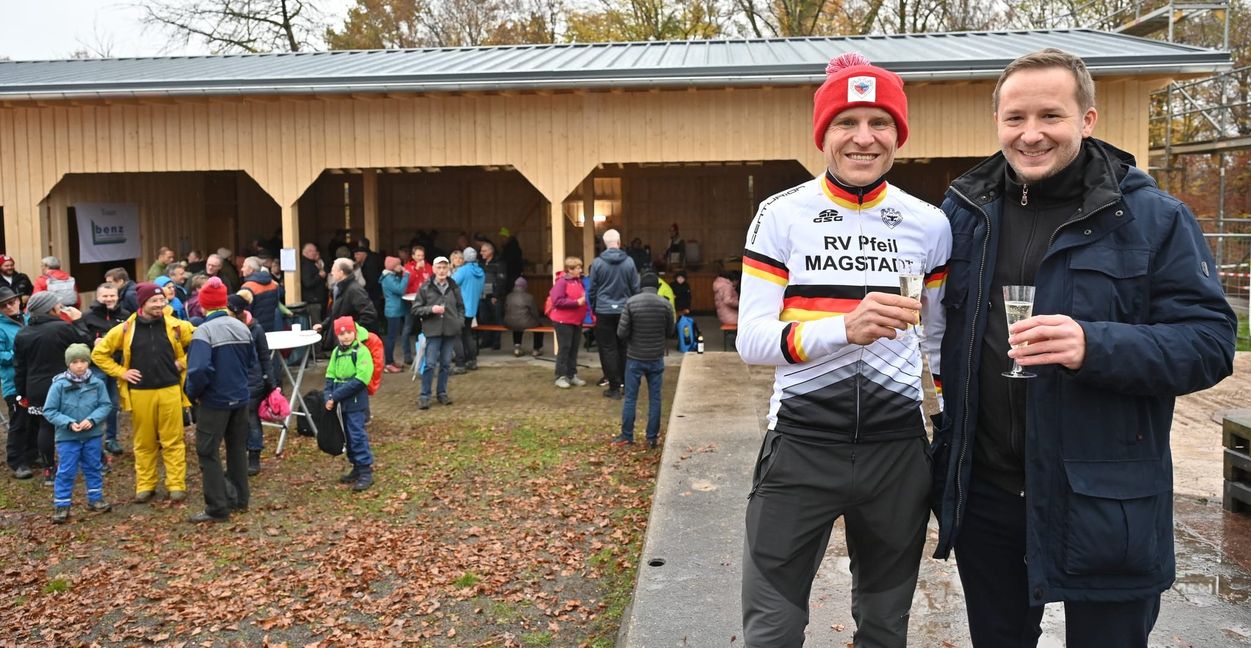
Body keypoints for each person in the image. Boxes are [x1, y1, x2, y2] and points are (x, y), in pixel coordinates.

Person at [931, 48, 1237, 648]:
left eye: (1051, 115)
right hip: (988, 497)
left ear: (1088, 120)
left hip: (1105, 499)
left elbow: (1210, 342)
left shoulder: (1150, 217)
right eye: (1015, 118)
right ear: (997, 122)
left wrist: (1093, 344)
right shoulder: (964, 214)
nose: (1031, 133)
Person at [737, 52, 951, 646]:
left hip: (895, 453)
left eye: (880, 122)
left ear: (898, 134)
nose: (864, 138)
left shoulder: (930, 223)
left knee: (885, 630)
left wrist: (942, 421)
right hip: (802, 446)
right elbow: (752, 343)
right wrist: (843, 328)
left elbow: (934, 345)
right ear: (823, 134)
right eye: (846, 123)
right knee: (773, 631)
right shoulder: (780, 215)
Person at [92, 282, 195, 503]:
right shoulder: (125, 329)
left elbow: (201, 344)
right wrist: (121, 372)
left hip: (170, 390)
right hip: (140, 393)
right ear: (143, 303)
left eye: (162, 300)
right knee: (144, 442)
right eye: (155, 301)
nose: (160, 304)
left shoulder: (177, 326)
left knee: (173, 440)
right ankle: (145, 485)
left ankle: (176, 485)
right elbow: (99, 354)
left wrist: (183, 361)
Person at [184, 277, 256, 523]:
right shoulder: (242, 326)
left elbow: (198, 370)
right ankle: (240, 499)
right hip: (240, 398)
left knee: (207, 451)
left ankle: (217, 507)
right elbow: (251, 362)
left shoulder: (203, 331)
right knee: (237, 448)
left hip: (214, 402)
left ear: (203, 305)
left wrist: (193, 393)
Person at [14, 292, 90, 486]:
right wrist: (79, 321)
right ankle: (87, 462)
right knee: (77, 422)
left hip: (36, 386)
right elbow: (85, 346)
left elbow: (20, 367)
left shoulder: (23, 333)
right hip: (64, 384)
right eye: (57, 305)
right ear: (50, 308)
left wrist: (21, 393)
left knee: (45, 426)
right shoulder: (63, 328)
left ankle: (49, 469)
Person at [42, 343, 114, 523]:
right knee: (66, 470)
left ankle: (95, 499)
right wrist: (68, 423)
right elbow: (49, 410)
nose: (79, 365)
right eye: (75, 362)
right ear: (68, 363)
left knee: (93, 467)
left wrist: (92, 420)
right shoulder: (59, 385)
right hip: (67, 437)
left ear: (89, 362)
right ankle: (62, 505)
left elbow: (105, 405)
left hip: (92, 435)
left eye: (83, 361)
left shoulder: (97, 383)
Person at [611, 272, 673, 450]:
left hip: (635, 357)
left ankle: (627, 435)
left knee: (630, 398)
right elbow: (670, 331)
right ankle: (652, 438)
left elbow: (621, 333)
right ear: (657, 287)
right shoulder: (665, 304)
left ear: (640, 286)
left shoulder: (631, 303)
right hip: (656, 357)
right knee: (655, 399)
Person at [78, 283, 130, 457]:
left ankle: (111, 439)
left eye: (112, 296)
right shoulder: (88, 316)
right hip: (95, 367)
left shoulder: (125, 316)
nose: (109, 299)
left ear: (117, 296)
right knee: (95, 404)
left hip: (116, 366)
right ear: (98, 297)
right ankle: (92, 440)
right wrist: (93, 341)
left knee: (113, 405)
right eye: (105, 296)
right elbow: (79, 338)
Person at [587, 229, 640, 399]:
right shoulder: (629, 262)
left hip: (604, 310)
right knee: (624, 347)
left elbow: (592, 289)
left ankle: (614, 387)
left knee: (608, 349)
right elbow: (635, 288)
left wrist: (595, 307)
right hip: (625, 310)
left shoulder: (597, 263)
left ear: (604, 243)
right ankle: (626, 383)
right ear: (619, 241)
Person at [325, 316, 375, 492]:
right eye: (341, 333)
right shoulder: (336, 352)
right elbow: (330, 375)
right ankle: (355, 466)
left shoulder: (361, 352)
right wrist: (327, 395)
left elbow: (361, 379)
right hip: (340, 404)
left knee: (357, 435)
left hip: (355, 402)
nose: (345, 336)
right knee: (346, 435)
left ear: (354, 332)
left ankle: (365, 471)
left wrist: (336, 395)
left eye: (348, 332)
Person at [225, 293, 273, 476]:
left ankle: (254, 457)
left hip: (252, 381)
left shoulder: (255, 329)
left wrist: (270, 382)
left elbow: (264, 356)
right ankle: (238, 459)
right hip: (235, 380)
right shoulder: (229, 327)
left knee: (251, 419)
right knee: (236, 420)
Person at [411, 256, 463, 410]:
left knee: (446, 364)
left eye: (444, 268)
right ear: (433, 269)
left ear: (448, 269)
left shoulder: (454, 287)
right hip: (432, 331)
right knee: (430, 364)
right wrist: (430, 309)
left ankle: (442, 393)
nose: (441, 271)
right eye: (439, 268)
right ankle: (424, 395)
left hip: (450, 330)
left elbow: (461, 307)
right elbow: (415, 309)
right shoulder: (425, 287)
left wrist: (458, 323)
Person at [0, 286, 33, 479]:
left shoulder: (29, 319)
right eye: (3, 305)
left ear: (19, 301)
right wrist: (18, 354)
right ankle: (17, 461)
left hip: (34, 379)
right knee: (19, 421)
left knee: (36, 418)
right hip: (14, 383)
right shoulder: (1, 326)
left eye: (11, 302)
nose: (9, 306)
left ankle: (32, 453)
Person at [548, 258, 588, 389]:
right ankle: (560, 376)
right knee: (565, 348)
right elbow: (557, 301)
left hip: (576, 321)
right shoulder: (561, 282)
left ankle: (571, 374)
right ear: (570, 269)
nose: (580, 270)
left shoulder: (578, 281)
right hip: (563, 321)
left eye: (580, 267)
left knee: (574, 348)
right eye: (577, 268)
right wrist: (576, 302)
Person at [314, 258, 378, 336]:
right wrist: (323, 325)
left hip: (348, 339)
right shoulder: (338, 288)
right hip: (340, 337)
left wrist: (350, 331)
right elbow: (336, 313)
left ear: (341, 273)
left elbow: (369, 315)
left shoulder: (355, 290)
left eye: (333, 270)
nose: (331, 273)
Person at [451, 247, 485, 372]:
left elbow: (451, 284)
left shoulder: (463, 271)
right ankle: (472, 360)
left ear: (465, 258)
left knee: (456, 335)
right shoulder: (480, 271)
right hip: (472, 308)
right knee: (467, 334)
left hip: (460, 307)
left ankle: (460, 364)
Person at [399, 245, 432, 367]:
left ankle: (428, 353)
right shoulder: (408, 268)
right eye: (418, 256)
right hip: (410, 301)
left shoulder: (429, 267)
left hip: (425, 301)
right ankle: (407, 355)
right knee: (407, 328)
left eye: (422, 256)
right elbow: (406, 283)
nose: (420, 258)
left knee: (428, 327)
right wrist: (416, 270)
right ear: (413, 256)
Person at [380, 256, 411, 373]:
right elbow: (400, 289)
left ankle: (391, 361)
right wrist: (406, 275)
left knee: (393, 337)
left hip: (395, 310)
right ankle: (388, 364)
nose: (401, 267)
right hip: (393, 311)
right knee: (391, 338)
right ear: (392, 267)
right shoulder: (388, 278)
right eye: (398, 265)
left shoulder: (391, 276)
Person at [477, 241, 507, 350]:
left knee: (497, 319)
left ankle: (496, 342)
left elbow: (501, 280)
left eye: (484, 251)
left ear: (491, 251)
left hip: (494, 296)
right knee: (484, 319)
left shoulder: (499, 263)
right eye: (481, 251)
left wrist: (496, 295)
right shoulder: (480, 263)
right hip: (482, 295)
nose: (481, 253)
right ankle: (486, 340)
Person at [240, 257, 282, 333]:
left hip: (256, 330)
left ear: (251, 269)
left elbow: (245, 314)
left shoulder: (247, 287)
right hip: (272, 327)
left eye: (244, 266)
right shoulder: (273, 284)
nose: (241, 269)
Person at [504, 277, 544, 357]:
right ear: (525, 286)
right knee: (540, 327)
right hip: (524, 322)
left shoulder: (509, 296)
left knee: (516, 325)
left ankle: (517, 348)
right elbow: (535, 313)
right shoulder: (529, 297)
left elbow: (505, 309)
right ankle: (536, 349)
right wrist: (537, 321)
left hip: (509, 322)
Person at [300, 243, 327, 327]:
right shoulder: (305, 265)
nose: (315, 253)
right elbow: (307, 283)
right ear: (307, 252)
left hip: (318, 300)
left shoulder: (312, 262)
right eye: (313, 251)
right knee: (317, 326)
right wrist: (319, 276)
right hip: (313, 301)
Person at [498, 227, 524, 292]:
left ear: (507, 238)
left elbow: (508, 262)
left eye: (502, 237)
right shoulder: (512, 247)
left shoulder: (510, 249)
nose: (501, 239)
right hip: (513, 275)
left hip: (511, 276)